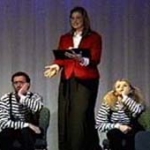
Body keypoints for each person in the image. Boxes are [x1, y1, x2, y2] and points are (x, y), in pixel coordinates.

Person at [44, 6, 102, 150]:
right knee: (65, 115)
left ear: (84, 19)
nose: (75, 21)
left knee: (80, 116)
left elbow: (95, 59)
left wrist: (79, 56)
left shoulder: (94, 37)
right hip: (67, 79)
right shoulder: (65, 38)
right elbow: (61, 58)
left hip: (86, 81)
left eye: (78, 18)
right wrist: (56, 67)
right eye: (72, 18)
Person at [96, 79, 145, 150]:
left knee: (138, 134)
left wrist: (125, 98)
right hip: (116, 129)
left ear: (131, 90)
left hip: (132, 129)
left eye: (124, 86)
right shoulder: (108, 102)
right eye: (118, 86)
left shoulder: (137, 101)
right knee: (114, 134)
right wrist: (118, 126)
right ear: (115, 92)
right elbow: (99, 124)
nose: (121, 88)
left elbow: (137, 111)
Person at [0, 71, 43, 150]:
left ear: (28, 84)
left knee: (25, 131)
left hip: (30, 131)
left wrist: (21, 96)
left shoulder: (35, 97)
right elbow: (3, 122)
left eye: (21, 82)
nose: (18, 85)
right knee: (5, 132)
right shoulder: (5, 98)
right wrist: (27, 124)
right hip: (13, 128)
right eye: (16, 83)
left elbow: (37, 108)